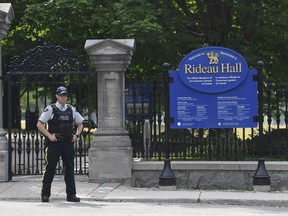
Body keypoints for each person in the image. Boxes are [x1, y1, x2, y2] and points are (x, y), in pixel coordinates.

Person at [37, 86, 84, 203]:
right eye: (61, 95)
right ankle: (45, 194)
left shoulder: (71, 109)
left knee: (69, 169)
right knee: (50, 169)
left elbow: (80, 124)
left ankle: (71, 195)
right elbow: (40, 124)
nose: (63, 97)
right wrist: (49, 135)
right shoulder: (51, 109)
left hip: (68, 143)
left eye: (65, 95)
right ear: (57, 96)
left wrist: (76, 135)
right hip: (55, 143)